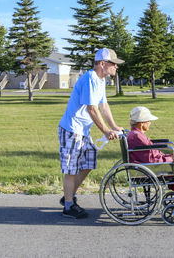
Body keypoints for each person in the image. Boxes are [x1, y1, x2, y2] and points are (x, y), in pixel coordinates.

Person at [58, 48, 124, 219]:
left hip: (82, 131)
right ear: (103, 64)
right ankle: (68, 206)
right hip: (72, 129)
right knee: (71, 169)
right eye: (113, 64)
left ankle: (68, 195)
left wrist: (114, 126)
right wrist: (106, 131)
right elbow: (92, 109)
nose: (116, 67)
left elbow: (104, 106)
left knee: (88, 162)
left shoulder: (100, 81)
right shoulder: (89, 79)